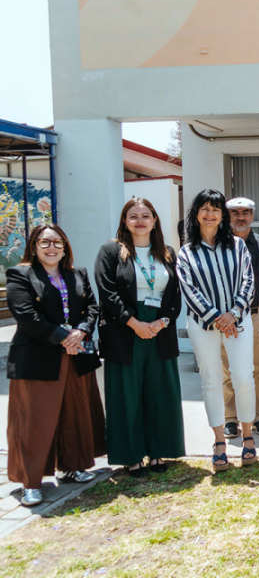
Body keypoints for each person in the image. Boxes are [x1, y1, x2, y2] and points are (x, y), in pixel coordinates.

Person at [6, 224, 105, 506]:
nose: (51, 248)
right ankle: (31, 482)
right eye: (44, 242)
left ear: (65, 246)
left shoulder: (77, 273)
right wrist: (64, 337)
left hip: (76, 354)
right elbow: (25, 313)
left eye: (57, 242)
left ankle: (73, 467)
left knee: (74, 413)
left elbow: (92, 307)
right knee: (34, 421)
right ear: (34, 247)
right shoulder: (20, 274)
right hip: (38, 357)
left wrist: (81, 331)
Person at [95, 198, 184, 478]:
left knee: (160, 394)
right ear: (125, 221)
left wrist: (163, 321)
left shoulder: (167, 252)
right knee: (126, 396)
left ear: (155, 220)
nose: (140, 220)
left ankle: (158, 452)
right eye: (133, 216)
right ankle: (131, 456)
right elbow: (107, 294)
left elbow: (175, 294)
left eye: (146, 215)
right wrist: (135, 324)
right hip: (125, 331)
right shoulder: (110, 251)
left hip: (160, 330)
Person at [176, 189, 257, 472]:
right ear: (196, 213)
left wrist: (233, 315)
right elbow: (189, 290)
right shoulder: (186, 252)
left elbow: (248, 281)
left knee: (243, 378)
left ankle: (248, 437)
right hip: (203, 325)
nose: (210, 214)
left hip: (238, 322)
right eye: (204, 209)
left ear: (223, 215)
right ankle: (220, 442)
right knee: (211, 380)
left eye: (216, 209)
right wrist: (217, 318)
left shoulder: (237, 245)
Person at [222, 197, 259, 440]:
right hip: (226, 319)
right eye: (235, 213)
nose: (240, 217)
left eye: (245, 212)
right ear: (228, 216)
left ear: (253, 216)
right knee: (228, 369)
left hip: (255, 316)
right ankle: (231, 419)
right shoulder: (218, 246)